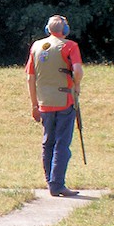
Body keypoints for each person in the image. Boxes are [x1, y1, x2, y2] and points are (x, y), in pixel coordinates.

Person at [26, 15, 83, 197]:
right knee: (62, 144)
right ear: (64, 30)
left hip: (43, 102)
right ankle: (57, 184)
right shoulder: (70, 46)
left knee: (47, 142)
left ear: (48, 29)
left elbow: (30, 78)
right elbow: (78, 71)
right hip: (65, 100)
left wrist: (34, 104)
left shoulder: (35, 47)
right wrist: (77, 85)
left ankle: (50, 181)